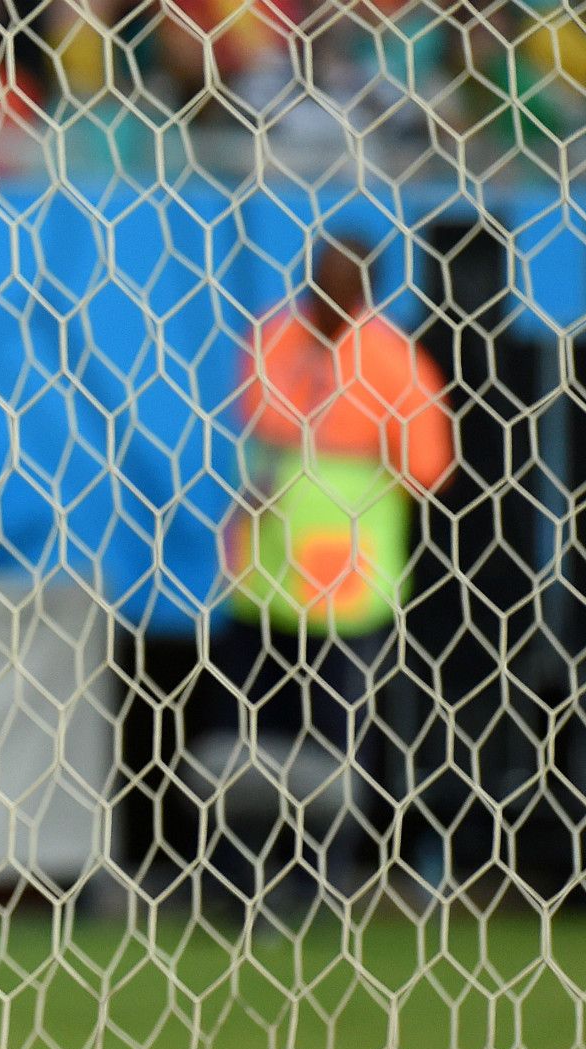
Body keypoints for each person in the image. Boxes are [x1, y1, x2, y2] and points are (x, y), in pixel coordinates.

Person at [208, 239, 453, 927]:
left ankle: (321, 884)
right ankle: (238, 880)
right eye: (322, 276)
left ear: (367, 288)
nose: (330, 290)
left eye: (343, 280)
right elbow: (262, 422)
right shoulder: (274, 337)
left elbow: (430, 466)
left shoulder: (396, 362)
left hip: (348, 594)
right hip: (261, 580)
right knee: (248, 741)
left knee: (334, 745)